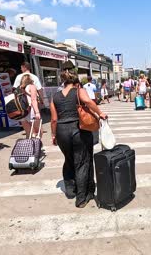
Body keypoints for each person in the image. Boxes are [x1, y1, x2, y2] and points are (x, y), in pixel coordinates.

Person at [50, 71, 107, 208]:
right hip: (78, 130)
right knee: (82, 162)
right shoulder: (78, 91)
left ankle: (70, 190)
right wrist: (100, 113)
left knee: (69, 160)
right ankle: (82, 197)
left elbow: (53, 119)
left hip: (61, 132)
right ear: (76, 83)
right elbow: (88, 101)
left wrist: (53, 135)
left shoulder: (55, 96)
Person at [19, 74, 42, 138]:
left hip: (22, 111)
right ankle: (37, 146)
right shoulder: (32, 86)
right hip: (31, 110)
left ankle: (29, 146)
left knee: (28, 132)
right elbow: (33, 100)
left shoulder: (20, 88)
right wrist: (37, 112)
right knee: (38, 131)